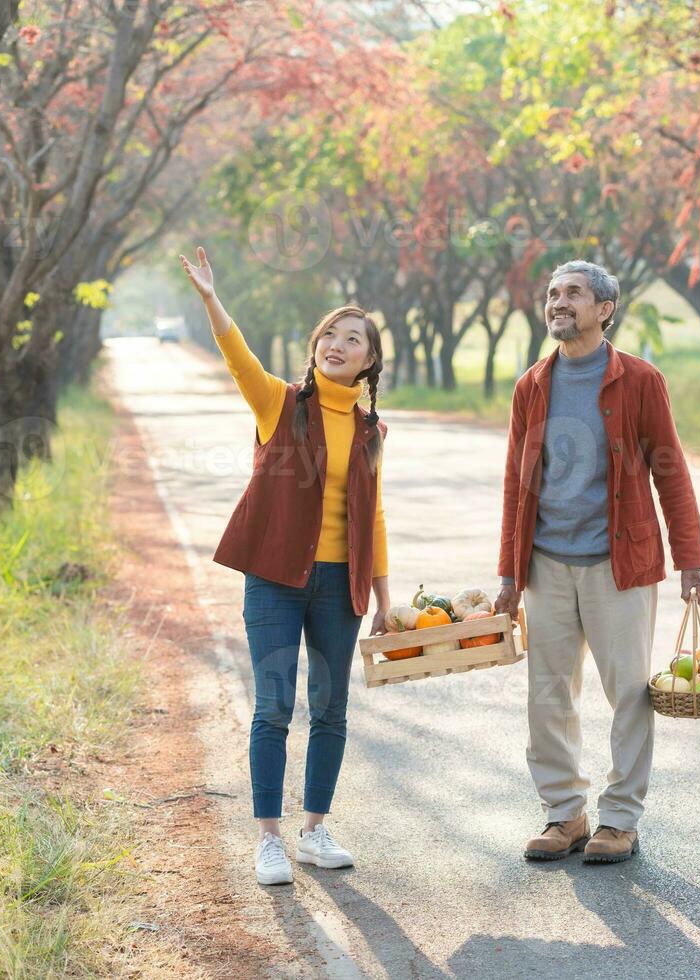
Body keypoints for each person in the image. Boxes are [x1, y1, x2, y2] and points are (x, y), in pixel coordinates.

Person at [179, 246, 391, 886]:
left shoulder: (371, 430)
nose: (338, 343)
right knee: (274, 706)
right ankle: (268, 839)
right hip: (275, 579)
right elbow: (237, 356)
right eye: (331, 332)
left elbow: (374, 517)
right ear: (316, 342)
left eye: (353, 338)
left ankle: (314, 829)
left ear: (368, 360)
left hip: (338, 587)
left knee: (330, 709)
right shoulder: (279, 401)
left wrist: (383, 599)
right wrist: (213, 299)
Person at [493, 259, 700, 865]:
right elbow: (516, 483)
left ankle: (619, 819)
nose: (559, 303)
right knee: (547, 694)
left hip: (621, 566)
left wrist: (692, 560)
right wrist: (508, 572)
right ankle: (564, 814)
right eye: (553, 294)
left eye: (574, 294)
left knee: (630, 694)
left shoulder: (639, 381)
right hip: (547, 565)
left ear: (605, 309)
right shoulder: (532, 385)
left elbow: (670, 470)